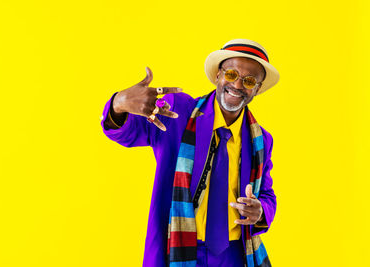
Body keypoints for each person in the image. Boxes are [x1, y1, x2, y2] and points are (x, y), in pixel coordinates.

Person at [100, 39, 279, 267]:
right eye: (231, 74)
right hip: (180, 249)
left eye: (249, 80)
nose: (237, 85)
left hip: (235, 255)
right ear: (218, 75)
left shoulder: (260, 140)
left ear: (257, 88)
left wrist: (261, 212)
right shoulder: (177, 112)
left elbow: (266, 194)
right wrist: (119, 104)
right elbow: (128, 134)